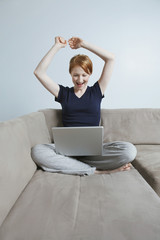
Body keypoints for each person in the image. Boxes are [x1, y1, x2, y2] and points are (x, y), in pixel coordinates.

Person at [31, 36, 137, 176]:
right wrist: (56, 47)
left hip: (93, 153)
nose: (80, 80)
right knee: (38, 151)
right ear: (70, 74)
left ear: (90, 74)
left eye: (84, 75)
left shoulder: (97, 91)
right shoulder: (63, 93)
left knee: (129, 150)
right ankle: (95, 171)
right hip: (66, 152)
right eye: (75, 75)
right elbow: (39, 72)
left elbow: (110, 58)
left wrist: (83, 44)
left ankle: (75, 167)